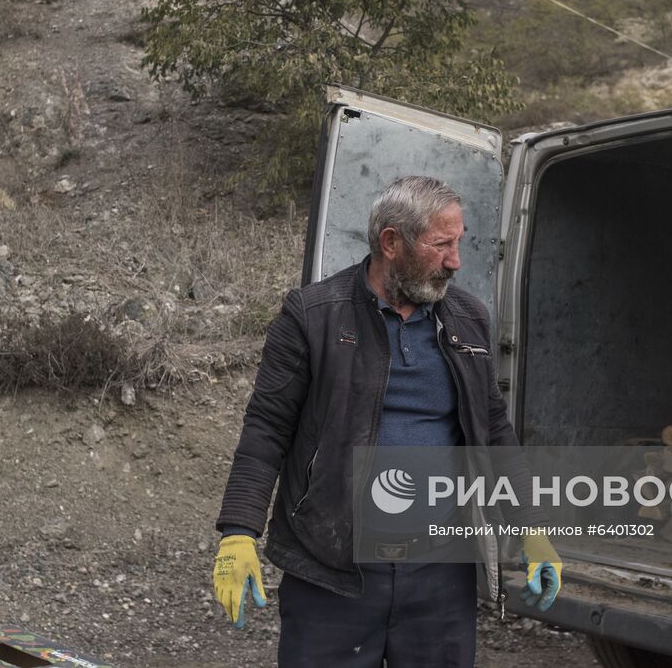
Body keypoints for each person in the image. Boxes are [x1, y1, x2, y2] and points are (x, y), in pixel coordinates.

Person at [210, 175, 561, 667]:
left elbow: (495, 429)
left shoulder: (469, 319)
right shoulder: (312, 316)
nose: (456, 260)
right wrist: (238, 532)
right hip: (333, 570)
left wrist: (533, 527)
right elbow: (267, 428)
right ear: (391, 242)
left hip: (440, 576)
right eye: (441, 244)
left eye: (458, 243)